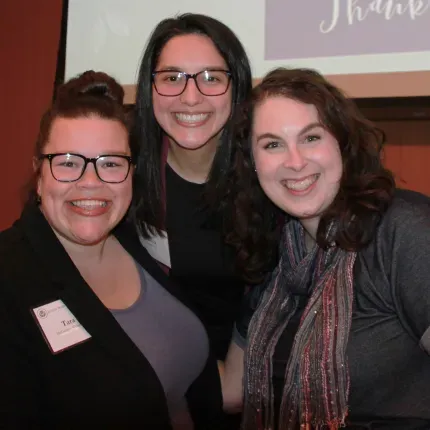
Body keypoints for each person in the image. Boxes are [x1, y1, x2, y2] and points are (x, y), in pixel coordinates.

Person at [0, 71, 225, 429]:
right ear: (38, 173)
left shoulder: (133, 241)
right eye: (69, 163)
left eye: (111, 164)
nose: (91, 183)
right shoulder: (9, 277)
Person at [220, 68, 430, 429]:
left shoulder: (403, 229)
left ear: (342, 144)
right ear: (252, 164)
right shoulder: (273, 256)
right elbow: (232, 391)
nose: (296, 161)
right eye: (272, 144)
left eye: (311, 137)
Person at [131, 13, 253, 362]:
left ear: (237, 87)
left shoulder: (270, 178)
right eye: (172, 77)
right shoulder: (123, 176)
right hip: (155, 383)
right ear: (149, 87)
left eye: (211, 78)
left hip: (255, 385)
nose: (190, 96)